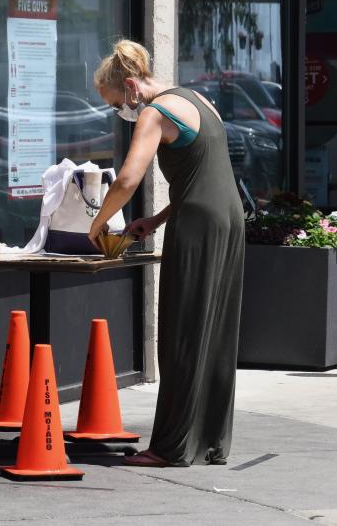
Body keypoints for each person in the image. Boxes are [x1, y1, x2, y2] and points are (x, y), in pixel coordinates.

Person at [87, 39, 244, 467]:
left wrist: (99, 223)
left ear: (132, 87)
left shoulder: (155, 112)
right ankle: (211, 440)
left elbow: (126, 179)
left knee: (182, 329)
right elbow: (204, 173)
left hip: (198, 224)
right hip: (228, 218)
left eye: (117, 101)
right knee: (215, 329)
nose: (121, 112)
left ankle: (172, 447)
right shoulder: (198, 99)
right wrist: (154, 222)